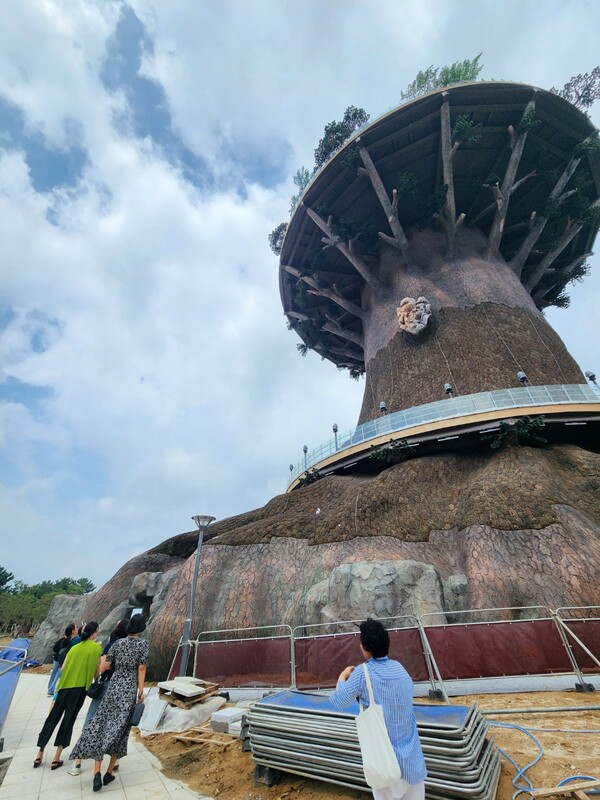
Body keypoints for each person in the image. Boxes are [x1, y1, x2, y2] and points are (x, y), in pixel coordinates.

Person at [329, 618, 427, 800]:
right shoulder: (400, 669)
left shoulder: (363, 673)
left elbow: (338, 701)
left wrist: (343, 677)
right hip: (413, 765)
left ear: (365, 648)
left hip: (386, 767)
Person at [69, 614, 149, 792]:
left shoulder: (118, 644)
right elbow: (141, 668)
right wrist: (141, 691)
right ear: (141, 628)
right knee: (120, 729)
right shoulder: (143, 645)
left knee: (102, 724)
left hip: (113, 688)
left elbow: (105, 665)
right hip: (128, 690)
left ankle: (96, 771)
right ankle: (109, 771)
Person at [34, 621, 102, 770]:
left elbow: (63, 667)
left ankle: (39, 753)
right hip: (79, 689)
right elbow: (97, 670)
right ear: (94, 632)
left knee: (52, 718)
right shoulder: (96, 647)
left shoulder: (74, 648)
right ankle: (56, 758)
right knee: (68, 720)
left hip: (64, 686)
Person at [67, 618, 129, 776]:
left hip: (106, 686)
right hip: (122, 690)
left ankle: (78, 761)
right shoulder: (132, 647)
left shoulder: (111, 646)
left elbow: (102, 668)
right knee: (116, 723)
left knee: (91, 720)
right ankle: (115, 760)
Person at [47, 623, 76, 696]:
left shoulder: (62, 639)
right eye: (76, 628)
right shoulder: (69, 641)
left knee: (54, 674)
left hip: (56, 658)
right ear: (72, 631)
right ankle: (51, 690)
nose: (77, 629)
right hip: (62, 660)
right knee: (57, 675)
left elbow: (55, 648)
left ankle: (50, 688)